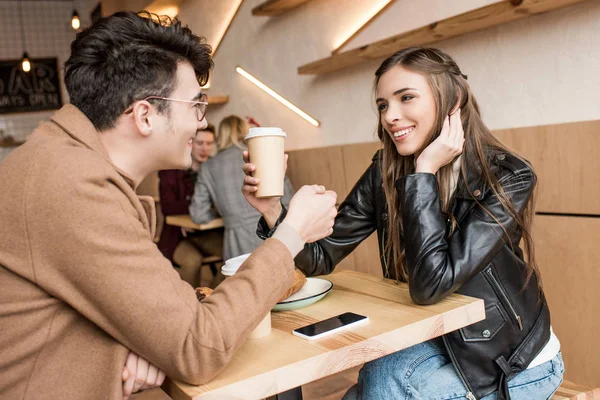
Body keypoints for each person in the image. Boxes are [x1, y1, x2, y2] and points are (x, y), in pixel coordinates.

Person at [0, 11, 337, 400]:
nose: (200, 122)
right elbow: (199, 348)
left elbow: (163, 327)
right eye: (195, 105)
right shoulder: (73, 186)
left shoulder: (60, 162)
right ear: (145, 115)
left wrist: (149, 341)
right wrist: (292, 232)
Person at [243, 47, 562, 400]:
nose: (390, 116)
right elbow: (318, 257)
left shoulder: (508, 176)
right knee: (374, 380)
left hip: (509, 363)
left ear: (453, 99)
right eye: (382, 105)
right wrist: (273, 211)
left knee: (376, 387)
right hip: (434, 339)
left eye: (406, 98)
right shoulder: (385, 172)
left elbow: (431, 283)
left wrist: (424, 172)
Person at [190, 115, 294, 260]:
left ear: (221, 136)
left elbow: (198, 214)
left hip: (236, 244)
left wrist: (222, 213)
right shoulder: (261, 156)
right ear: (245, 132)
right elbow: (288, 201)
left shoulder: (208, 167)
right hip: (272, 236)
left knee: (240, 281)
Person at [157, 123, 224, 287]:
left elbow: (222, 202)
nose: (205, 149)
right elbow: (168, 207)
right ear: (190, 143)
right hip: (179, 234)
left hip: (209, 232)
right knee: (191, 261)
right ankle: (189, 304)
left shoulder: (215, 168)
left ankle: (213, 301)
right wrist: (199, 210)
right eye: (200, 143)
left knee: (233, 255)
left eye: (209, 144)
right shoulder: (171, 170)